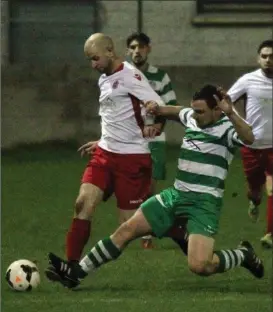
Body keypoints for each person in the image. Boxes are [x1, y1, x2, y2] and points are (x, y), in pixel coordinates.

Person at [45, 85, 264, 289]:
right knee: (126, 230)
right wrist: (156, 108)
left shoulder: (227, 129)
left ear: (217, 110)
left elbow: (250, 137)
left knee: (200, 266)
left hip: (204, 204)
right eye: (194, 110)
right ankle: (77, 274)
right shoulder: (192, 117)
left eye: (201, 111)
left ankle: (243, 255)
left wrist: (232, 113)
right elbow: (176, 111)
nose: (195, 115)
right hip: (176, 196)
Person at [45, 33, 166, 281]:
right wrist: (102, 141)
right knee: (82, 203)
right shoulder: (104, 79)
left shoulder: (131, 76)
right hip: (104, 155)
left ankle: (179, 231)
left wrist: (157, 125)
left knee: (130, 226)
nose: (93, 64)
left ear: (110, 52)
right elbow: (116, 117)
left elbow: (158, 105)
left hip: (131, 159)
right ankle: (71, 266)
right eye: (90, 60)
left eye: (95, 58)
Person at [126, 32, 177, 249]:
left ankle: (146, 230)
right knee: (133, 186)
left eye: (141, 47)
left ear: (148, 49)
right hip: (129, 139)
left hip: (155, 138)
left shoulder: (160, 77)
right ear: (129, 51)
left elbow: (171, 104)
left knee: (150, 186)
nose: (137, 51)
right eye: (133, 47)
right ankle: (141, 232)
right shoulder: (123, 75)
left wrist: (159, 125)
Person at [228, 39, 273, 248]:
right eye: (264, 56)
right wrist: (240, 123)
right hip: (252, 148)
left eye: (272, 57)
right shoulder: (248, 80)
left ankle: (269, 234)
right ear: (258, 58)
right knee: (255, 191)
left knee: (272, 189)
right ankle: (254, 201)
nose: (268, 60)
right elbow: (226, 100)